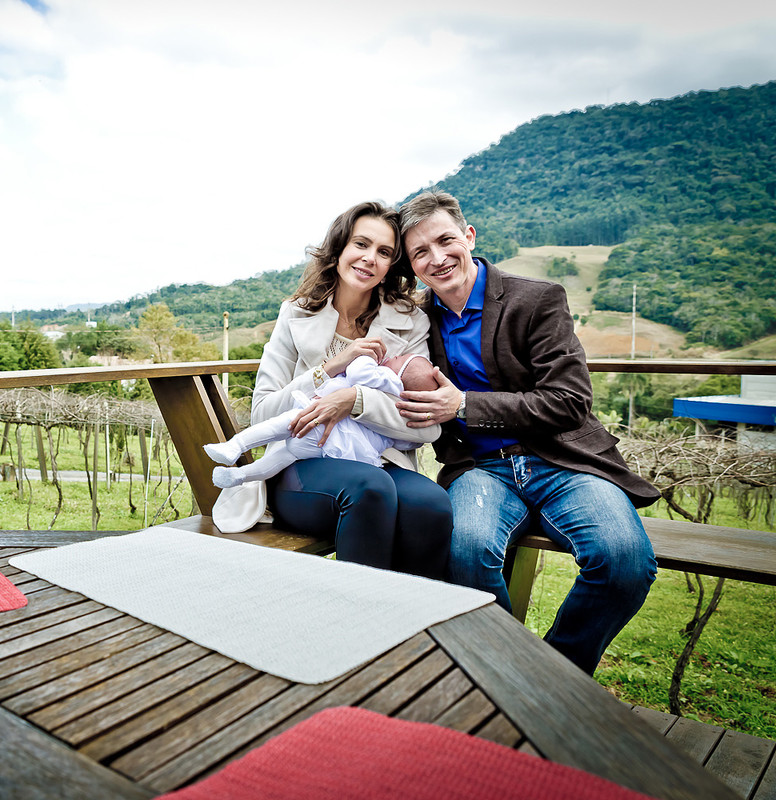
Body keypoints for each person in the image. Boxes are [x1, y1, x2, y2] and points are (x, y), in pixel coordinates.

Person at [394, 190, 659, 674]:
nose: (437, 258)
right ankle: (509, 675)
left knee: (623, 562)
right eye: (420, 253)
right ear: (411, 265)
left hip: (563, 461)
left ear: (469, 236)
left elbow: (571, 401)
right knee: (465, 552)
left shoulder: (536, 299)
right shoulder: (415, 320)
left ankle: (554, 676)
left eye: (445, 240)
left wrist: (464, 404)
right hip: (480, 468)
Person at [241, 200, 453, 580]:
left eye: (384, 252)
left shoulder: (409, 324)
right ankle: (357, 622)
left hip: (379, 457)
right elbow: (262, 412)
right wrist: (329, 370)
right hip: (301, 462)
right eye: (361, 244)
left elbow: (425, 426)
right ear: (339, 248)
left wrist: (355, 401)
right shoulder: (296, 314)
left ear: (391, 266)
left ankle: (414, 623)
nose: (370, 258)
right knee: (369, 490)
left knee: (432, 503)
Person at [204, 353, 439, 488]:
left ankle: (235, 446)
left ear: (399, 373)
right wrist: (329, 367)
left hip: (316, 420)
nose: (394, 355)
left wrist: (362, 357)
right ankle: (239, 476)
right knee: (285, 456)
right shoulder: (397, 396)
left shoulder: (387, 377)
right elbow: (405, 442)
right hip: (340, 450)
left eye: (400, 358)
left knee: (279, 428)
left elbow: (358, 372)